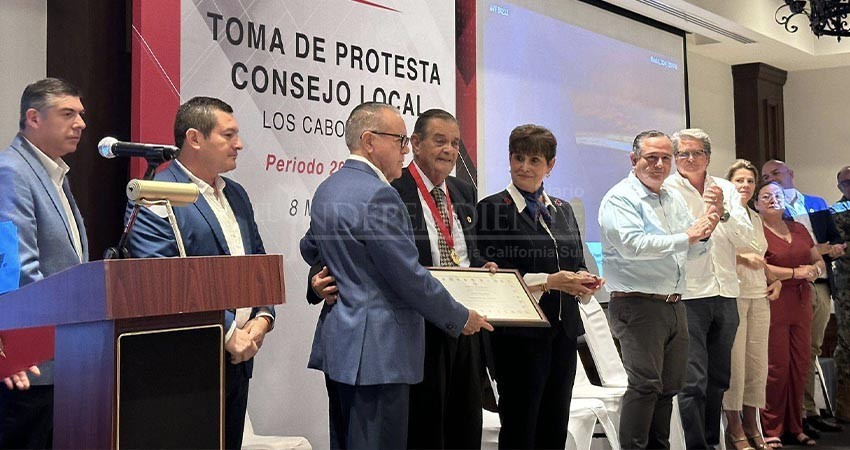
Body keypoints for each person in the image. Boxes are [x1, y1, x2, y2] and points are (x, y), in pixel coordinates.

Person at [300, 102, 492, 449]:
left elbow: (310, 247)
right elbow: (407, 276)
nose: (404, 150)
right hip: (380, 355)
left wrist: (334, 271)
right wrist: (460, 316)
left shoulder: (328, 188)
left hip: (341, 348)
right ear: (369, 141)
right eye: (400, 140)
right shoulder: (380, 195)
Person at [126, 96, 276, 450]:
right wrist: (227, 330)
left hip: (240, 358)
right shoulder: (156, 193)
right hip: (187, 365)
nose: (239, 144)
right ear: (194, 138)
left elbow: (257, 262)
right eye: (228, 135)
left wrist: (263, 317)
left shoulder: (236, 194)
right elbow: (160, 277)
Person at [476, 124, 604, 449]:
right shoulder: (492, 208)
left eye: (534, 160)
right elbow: (496, 277)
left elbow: (577, 261)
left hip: (563, 334)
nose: (524, 167)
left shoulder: (562, 209)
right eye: (518, 158)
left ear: (551, 165)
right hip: (519, 337)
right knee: (521, 429)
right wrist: (550, 282)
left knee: (555, 427)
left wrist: (585, 281)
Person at [599, 130, 719, 449]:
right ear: (634, 159)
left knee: (668, 388)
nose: (660, 165)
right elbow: (633, 246)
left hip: (674, 303)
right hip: (638, 304)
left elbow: (691, 250)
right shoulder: (621, 198)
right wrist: (688, 237)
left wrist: (705, 233)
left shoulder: (672, 198)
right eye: (652, 157)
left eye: (666, 158)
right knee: (645, 386)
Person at [0, 78, 88, 449]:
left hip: (61, 359)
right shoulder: (12, 171)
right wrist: (22, 348)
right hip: (31, 366)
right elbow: (15, 269)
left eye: (80, 114)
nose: (81, 123)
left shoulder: (54, 174)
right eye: (68, 114)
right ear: (34, 118)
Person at [663, 128, 751, 449]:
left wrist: (723, 211)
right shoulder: (666, 190)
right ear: (675, 159)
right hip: (688, 295)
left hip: (725, 292)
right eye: (682, 153)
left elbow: (747, 239)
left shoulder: (725, 188)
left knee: (718, 379)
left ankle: (712, 443)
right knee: (693, 382)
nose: (689, 158)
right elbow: (669, 241)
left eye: (696, 152)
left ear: (708, 157)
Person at [762, 159, 846, 436]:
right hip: (782, 289)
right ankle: (790, 418)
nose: (772, 180)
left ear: (790, 174)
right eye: (766, 178)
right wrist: (806, 263)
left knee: (809, 351)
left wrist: (828, 253)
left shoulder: (816, 203)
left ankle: (807, 411)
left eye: (776, 173)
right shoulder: (767, 217)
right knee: (779, 358)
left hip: (816, 285)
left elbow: (833, 239)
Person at [756, 181, 826, 448]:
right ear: (756, 203)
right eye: (765, 196)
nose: (773, 199)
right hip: (774, 300)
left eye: (777, 195)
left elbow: (817, 260)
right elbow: (762, 267)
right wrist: (797, 272)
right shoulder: (756, 230)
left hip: (802, 300)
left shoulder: (798, 228)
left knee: (800, 363)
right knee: (776, 366)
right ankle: (771, 428)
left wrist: (815, 271)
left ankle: (795, 426)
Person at [722, 160, 782, 450]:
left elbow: (761, 256)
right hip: (733, 293)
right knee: (736, 364)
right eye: (739, 180)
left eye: (749, 181)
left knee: (757, 364)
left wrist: (774, 278)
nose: (745, 185)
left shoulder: (755, 217)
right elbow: (713, 251)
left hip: (759, 294)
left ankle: (752, 425)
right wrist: (742, 258)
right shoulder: (723, 214)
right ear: (728, 183)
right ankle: (734, 428)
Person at [830, 165, 850, 422]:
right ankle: (845, 406)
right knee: (847, 344)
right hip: (847, 288)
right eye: (846, 182)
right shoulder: (837, 211)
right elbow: (839, 247)